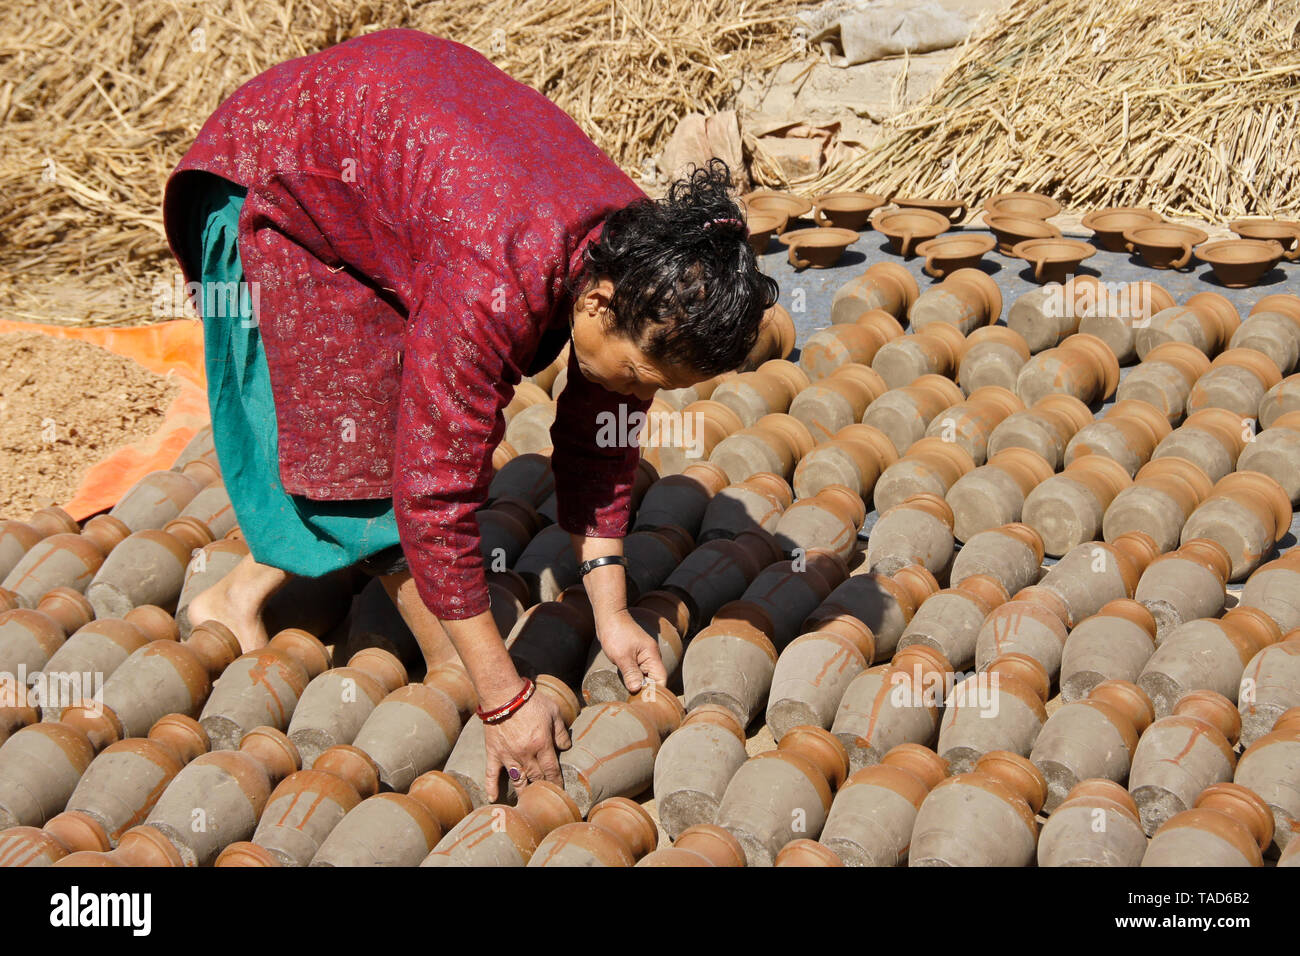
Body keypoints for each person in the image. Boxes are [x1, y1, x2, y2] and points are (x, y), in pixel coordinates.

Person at [162, 29, 778, 798]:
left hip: (390, 158)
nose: (636, 394)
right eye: (639, 374)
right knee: (373, 461)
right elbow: (430, 497)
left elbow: (600, 440)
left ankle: (240, 594)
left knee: (415, 437)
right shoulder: (499, 274)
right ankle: (267, 607)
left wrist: (613, 614)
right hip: (279, 177)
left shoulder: (640, 259)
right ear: (596, 302)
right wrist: (500, 693)